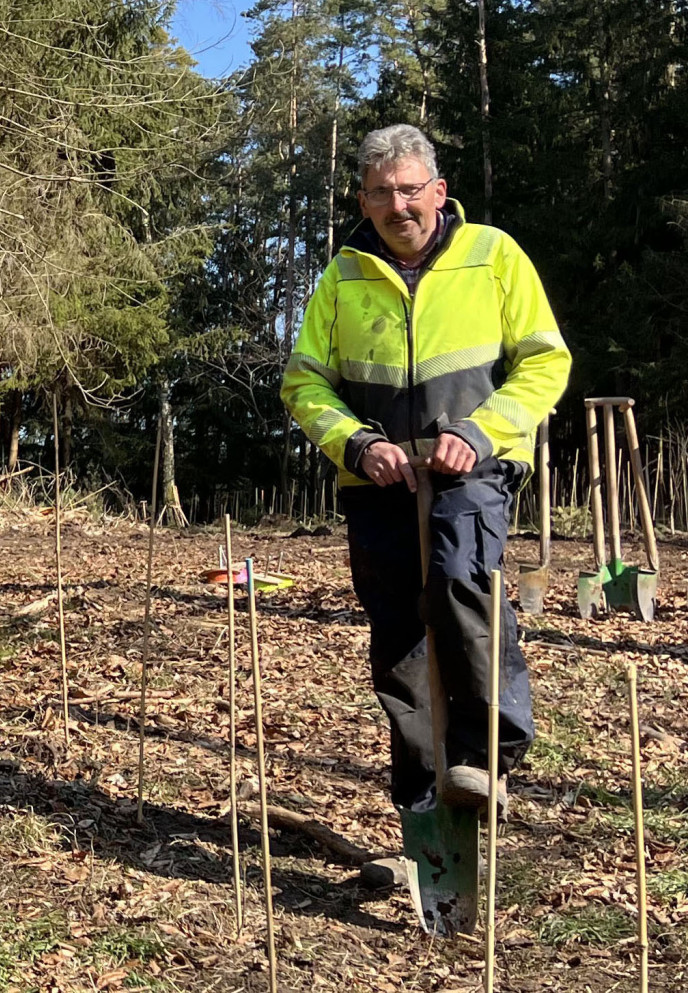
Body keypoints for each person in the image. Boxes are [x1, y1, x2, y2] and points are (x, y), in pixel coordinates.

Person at [282, 124, 571, 833]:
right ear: (363, 198)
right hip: (379, 483)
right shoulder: (343, 276)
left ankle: (484, 754)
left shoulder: (493, 255)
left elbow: (544, 362)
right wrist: (357, 444)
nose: (397, 205)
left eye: (410, 189)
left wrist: (478, 433)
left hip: (472, 470)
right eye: (381, 193)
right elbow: (304, 384)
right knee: (397, 631)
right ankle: (420, 790)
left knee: (459, 578)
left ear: (438, 192)